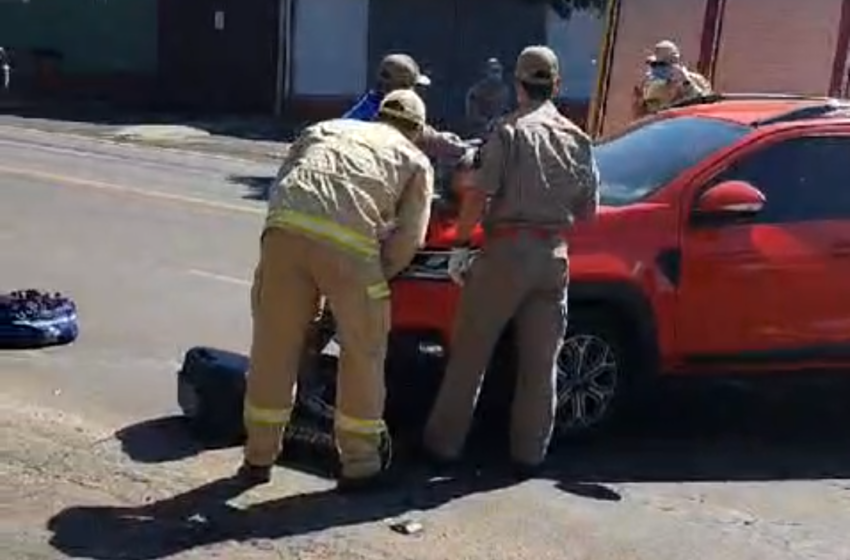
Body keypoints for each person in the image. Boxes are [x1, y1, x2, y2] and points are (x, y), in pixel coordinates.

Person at [240, 89, 435, 492]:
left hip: (283, 232)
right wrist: (375, 276)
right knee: (362, 353)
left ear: (379, 116)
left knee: (274, 347)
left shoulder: (325, 129)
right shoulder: (414, 159)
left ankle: (258, 456)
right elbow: (409, 240)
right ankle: (360, 465)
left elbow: (284, 184)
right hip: (348, 247)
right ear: (416, 130)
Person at [422, 46, 600, 478]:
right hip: (553, 256)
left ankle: (442, 448)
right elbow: (589, 209)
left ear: (518, 85)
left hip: (506, 251)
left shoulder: (508, 132)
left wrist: (462, 246)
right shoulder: (578, 139)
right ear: (556, 85)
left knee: (470, 354)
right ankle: (529, 454)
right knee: (541, 366)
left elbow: (478, 194)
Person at [344, 52, 469, 160]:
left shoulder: (370, 103)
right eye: (412, 87)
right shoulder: (388, 111)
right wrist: (455, 147)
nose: (414, 93)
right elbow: (416, 134)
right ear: (400, 86)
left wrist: (443, 138)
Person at [633, 40, 712, 118]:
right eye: (655, 65)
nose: (660, 69)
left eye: (664, 64)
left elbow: (707, 104)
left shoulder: (697, 80)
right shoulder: (651, 83)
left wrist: (686, 82)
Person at [465, 58, 510, 137]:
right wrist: (489, 122)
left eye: (498, 71)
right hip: (481, 132)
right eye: (494, 71)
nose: (497, 75)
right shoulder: (476, 92)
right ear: (486, 72)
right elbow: (472, 116)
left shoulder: (505, 90)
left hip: (501, 131)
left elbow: (506, 110)